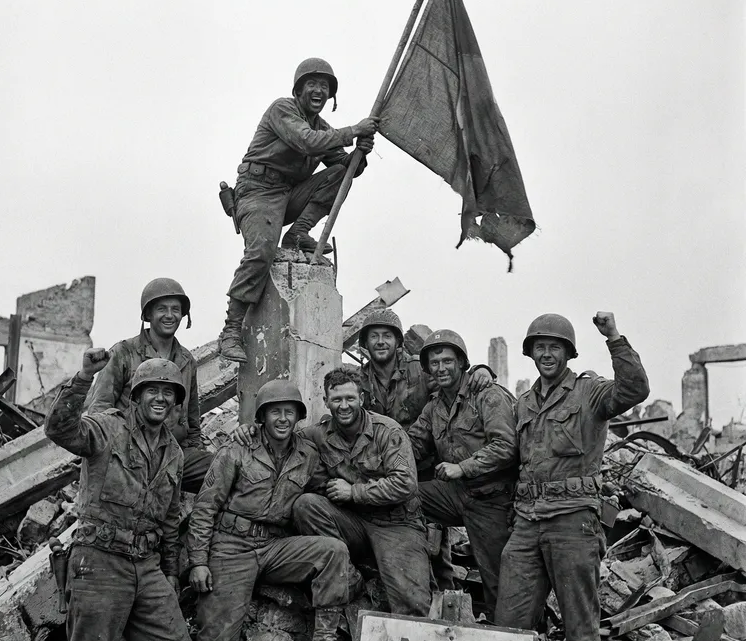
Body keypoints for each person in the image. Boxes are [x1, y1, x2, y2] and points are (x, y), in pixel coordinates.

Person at [495, 312, 649, 641]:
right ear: (530, 353)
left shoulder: (589, 392)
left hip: (573, 520)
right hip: (527, 521)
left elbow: (635, 389)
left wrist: (615, 338)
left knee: (580, 620)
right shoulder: (523, 403)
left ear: (567, 352)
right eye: (539, 347)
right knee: (510, 617)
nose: (546, 353)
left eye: (554, 347)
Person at [184, 380, 357, 641]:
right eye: (274, 411)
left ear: (298, 416)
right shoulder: (237, 450)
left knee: (332, 551)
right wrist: (199, 560)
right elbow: (205, 507)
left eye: (289, 411)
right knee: (219, 634)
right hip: (231, 546)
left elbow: (334, 483)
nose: (282, 418)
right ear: (261, 417)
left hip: (275, 545)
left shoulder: (307, 454)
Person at [45, 351, 194, 641]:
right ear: (137, 395)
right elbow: (60, 430)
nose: (160, 398)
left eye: (169, 392)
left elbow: (170, 519)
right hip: (98, 562)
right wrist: (83, 378)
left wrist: (171, 574)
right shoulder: (106, 428)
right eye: (152, 391)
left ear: (177, 402)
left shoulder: (174, 453)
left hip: (146, 566)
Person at [218, 58, 377, 362]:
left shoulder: (323, 128)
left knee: (339, 175)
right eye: (313, 85)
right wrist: (354, 130)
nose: (319, 91)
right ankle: (232, 329)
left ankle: (298, 233)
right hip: (257, 192)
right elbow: (306, 142)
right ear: (299, 89)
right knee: (262, 252)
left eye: (325, 87)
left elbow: (345, 168)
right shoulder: (283, 109)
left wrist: (361, 153)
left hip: (288, 195)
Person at [356, 309, 495, 588]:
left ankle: (444, 591)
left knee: (434, 541)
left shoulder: (420, 369)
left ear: (398, 341)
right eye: (374, 337)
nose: (381, 342)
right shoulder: (360, 380)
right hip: (384, 468)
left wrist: (482, 369)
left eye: (387, 336)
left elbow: (454, 377)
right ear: (365, 343)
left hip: (427, 468)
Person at [292, 367, 432, 617]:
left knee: (412, 606)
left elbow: (406, 484)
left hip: (396, 524)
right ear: (326, 401)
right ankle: (350, 578)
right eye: (336, 400)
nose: (343, 406)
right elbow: (283, 438)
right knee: (306, 505)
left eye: (349, 398)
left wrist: (354, 492)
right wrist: (249, 432)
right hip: (354, 522)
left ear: (362, 399)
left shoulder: (388, 431)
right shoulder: (317, 434)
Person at [406, 329, 518, 619]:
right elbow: (411, 445)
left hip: (493, 498)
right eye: (434, 363)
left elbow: (506, 446)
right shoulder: (434, 406)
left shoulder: (487, 395)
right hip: (456, 495)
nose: (440, 368)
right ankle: (425, 584)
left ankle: (502, 634)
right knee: (405, 496)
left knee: (496, 576)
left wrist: (462, 467)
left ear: (461, 363)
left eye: (446, 361)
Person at [87, 277, 212, 493]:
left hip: (171, 454)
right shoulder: (123, 353)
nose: (170, 315)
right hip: (128, 453)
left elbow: (191, 420)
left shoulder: (186, 360)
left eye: (175, 309)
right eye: (162, 309)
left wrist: (195, 451)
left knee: (221, 470)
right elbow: (99, 411)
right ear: (148, 315)